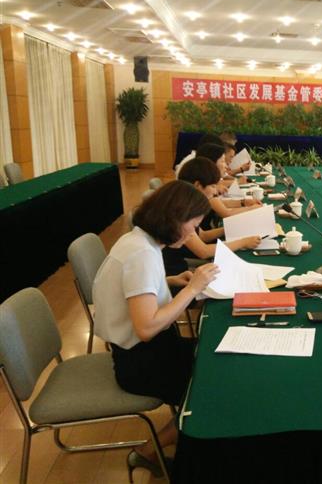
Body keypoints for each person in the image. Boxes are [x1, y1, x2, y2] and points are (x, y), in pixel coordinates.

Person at [92, 181, 220, 479]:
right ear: (173, 218)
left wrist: (173, 281)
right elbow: (147, 328)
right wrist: (192, 289)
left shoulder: (138, 240)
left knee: (215, 362)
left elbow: (137, 291)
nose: (193, 234)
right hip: (139, 362)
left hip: (147, 349)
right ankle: (151, 451)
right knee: (214, 388)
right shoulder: (141, 255)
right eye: (193, 226)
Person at [163, 158, 261, 277]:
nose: (215, 192)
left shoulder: (187, 202)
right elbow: (203, 251)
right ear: (198, 185)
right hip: (177, 273)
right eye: (213, 186)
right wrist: (243, 242)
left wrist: (227, 229)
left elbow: (202, 235)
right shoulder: (181, 209)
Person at [196, 143, 261, 225]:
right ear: (211, 163)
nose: (226, 166)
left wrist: (243, 202)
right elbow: (226, 213)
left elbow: (220, 203)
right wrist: (252, 209)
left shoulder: (207, 182)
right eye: (222, 161)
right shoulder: (206, 187)